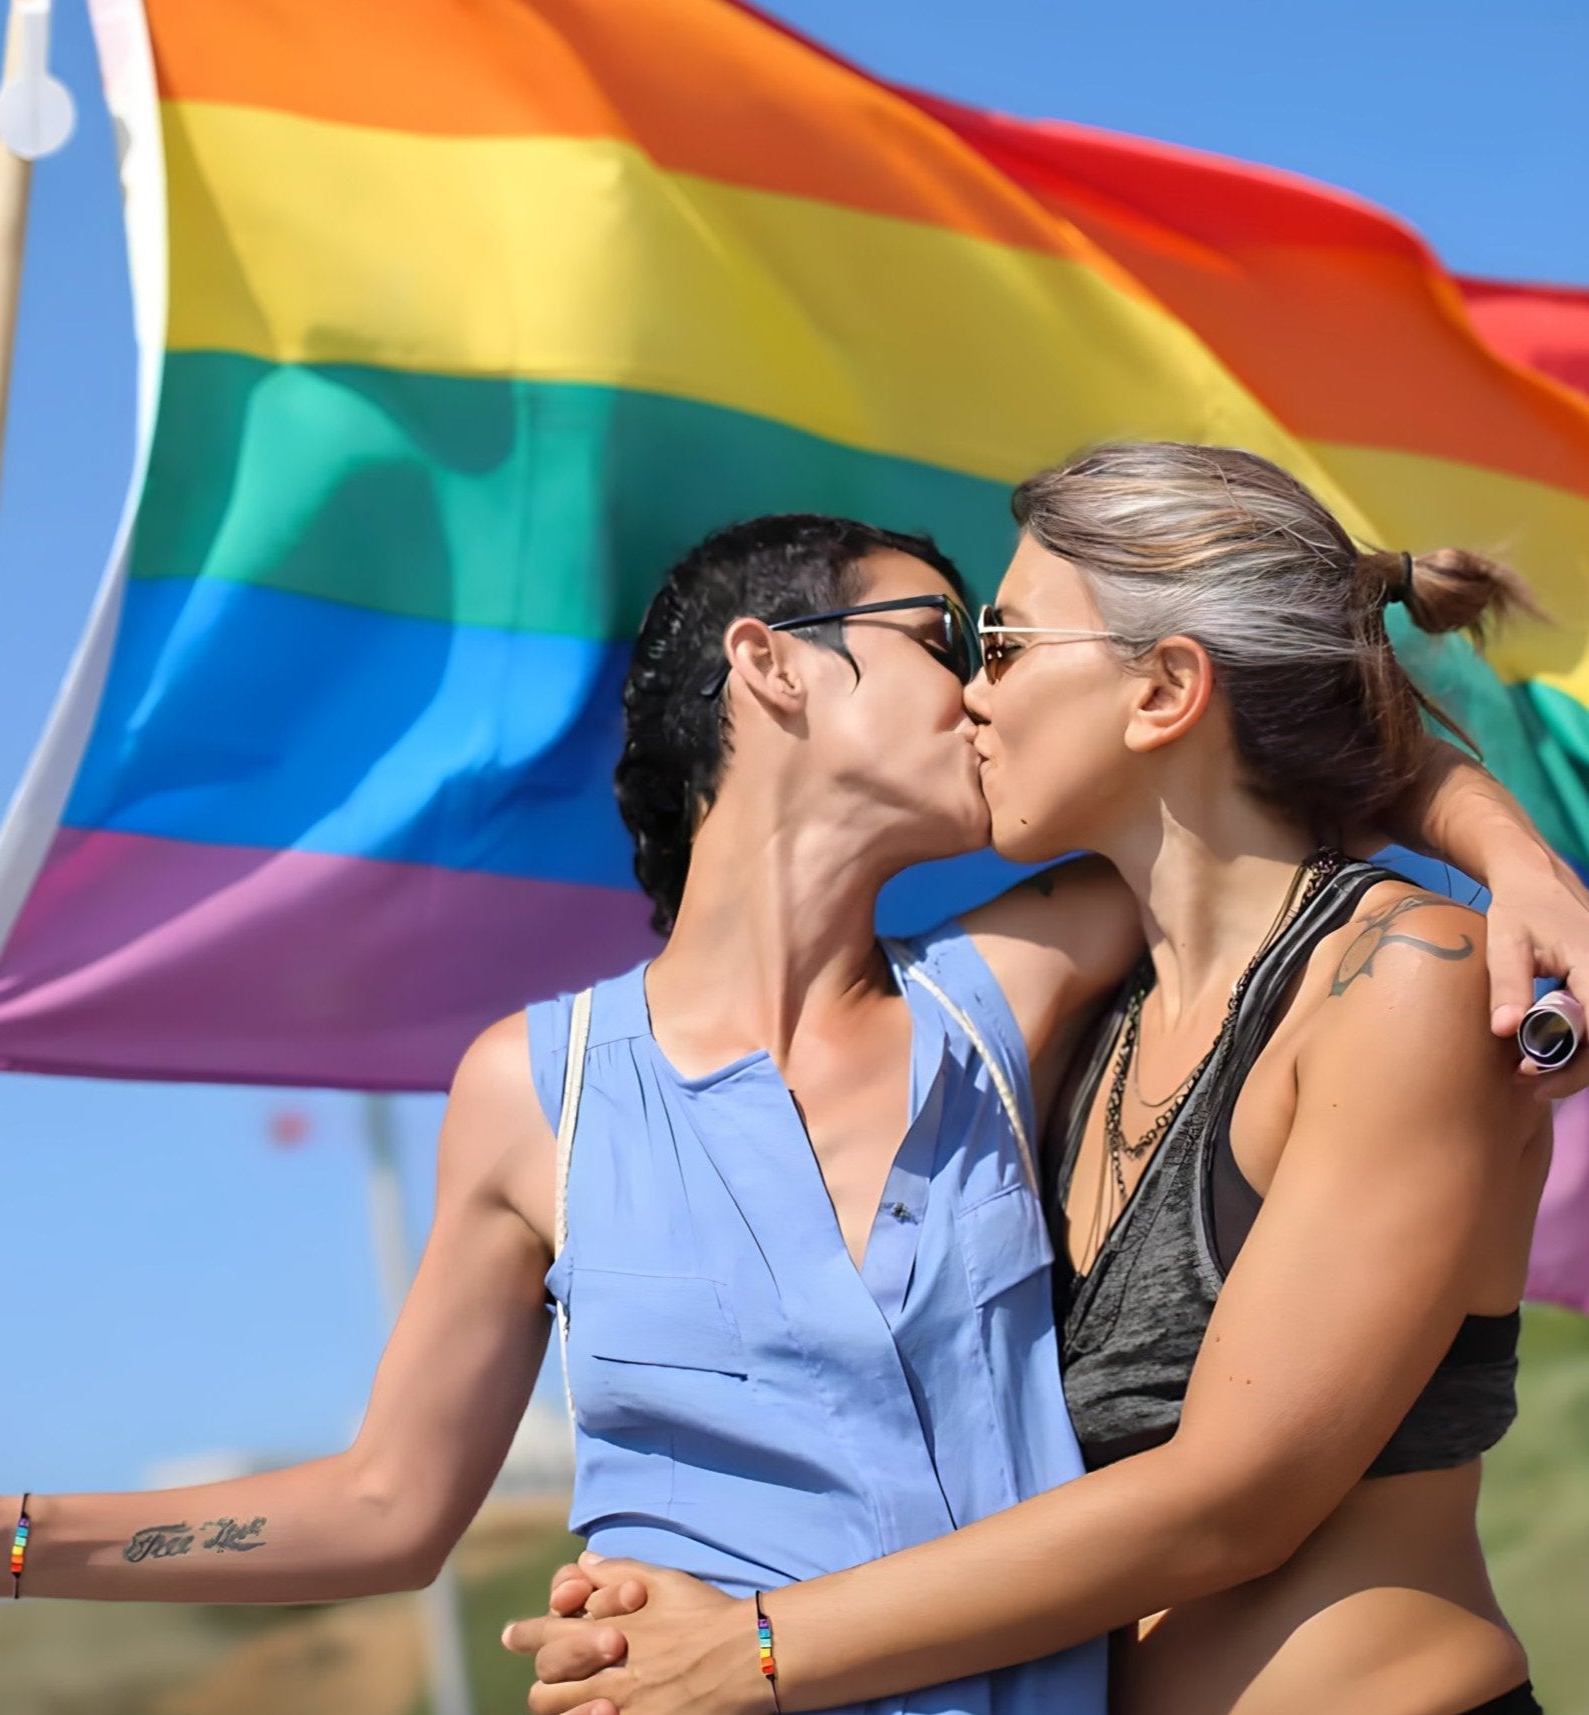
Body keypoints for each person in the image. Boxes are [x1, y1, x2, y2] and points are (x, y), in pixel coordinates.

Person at [0, 504, 1575, 1715]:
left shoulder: (1026, 979)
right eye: (941, 640)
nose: (985, 684)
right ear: (772, 668)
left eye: (1003, 643)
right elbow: (390, 1507)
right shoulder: (529, 1091)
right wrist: (15, 1537)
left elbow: (1260, 730)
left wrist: (1510, 852)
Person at [506, 447, 1568, 1715]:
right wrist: (644, 1620)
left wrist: (753, 1648)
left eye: (1001, 644)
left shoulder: (1399, 978)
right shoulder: (1087, 1023)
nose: (968, 697)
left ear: (1162, 689)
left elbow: (1234, 1499)